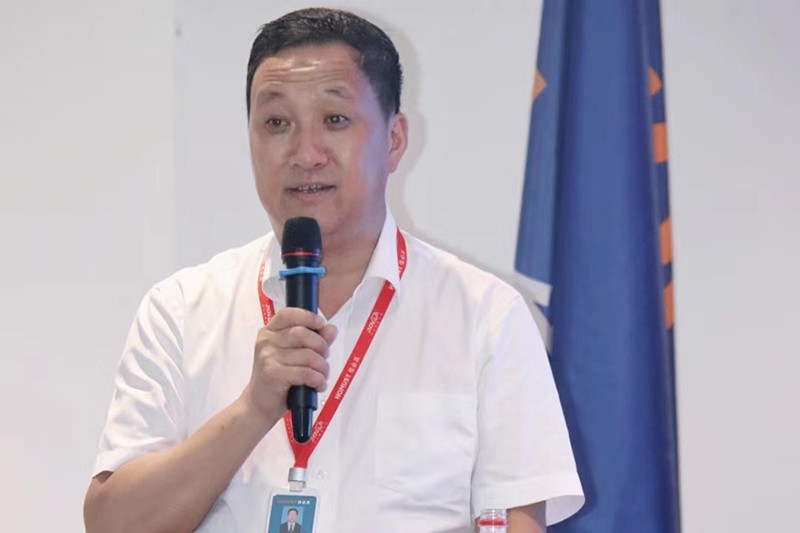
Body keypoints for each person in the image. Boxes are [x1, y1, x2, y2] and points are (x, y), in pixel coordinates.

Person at [83, 8, 583, 532]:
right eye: (277, 123)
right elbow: (113, 525)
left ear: (394, 139)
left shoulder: (484, 316)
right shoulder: (182, 311)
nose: (306, 153)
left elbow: (519, 520)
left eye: (335, 120)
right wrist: (253, 408)